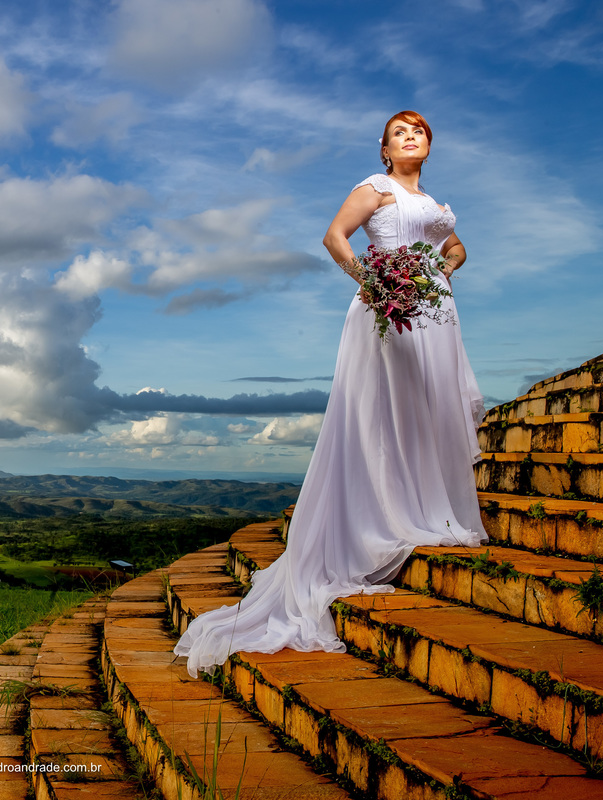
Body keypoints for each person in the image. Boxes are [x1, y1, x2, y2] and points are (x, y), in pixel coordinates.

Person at [174, 111, 487, 676]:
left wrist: (441, 269)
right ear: (386, 150)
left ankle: (427, 510)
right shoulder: (375, 188)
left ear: (429, 147)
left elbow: (456, 246)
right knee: (382, 415)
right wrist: (375, 282)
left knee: (427, 410)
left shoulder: (437, 204)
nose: (410, 137)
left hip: (436, 313)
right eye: (399, 132)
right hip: (388, 311)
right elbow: (333, 237)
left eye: (419, 131)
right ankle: (384, 518)